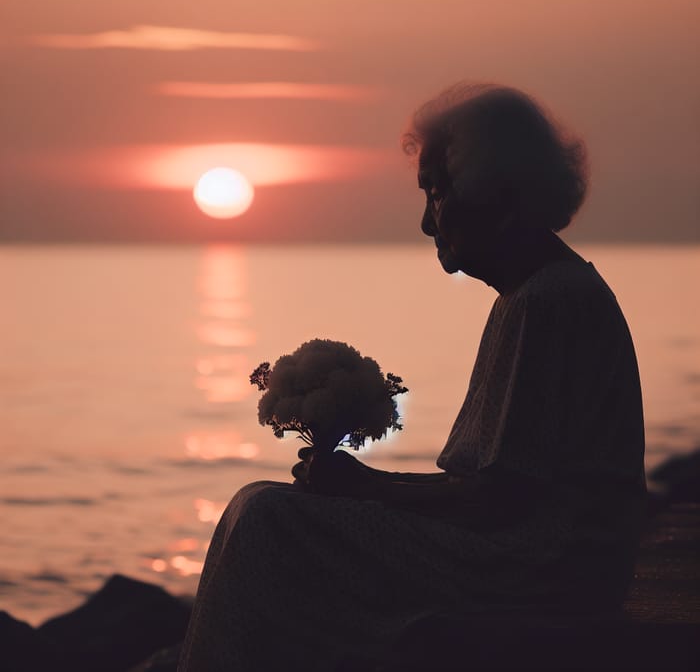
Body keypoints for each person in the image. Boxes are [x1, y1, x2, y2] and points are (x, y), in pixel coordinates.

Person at [178, 83, 647, 671]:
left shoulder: (549, 301)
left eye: (439, 192)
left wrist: (370, 490)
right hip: (531, 552)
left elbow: (504, 502)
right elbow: (497, 488)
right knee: (260, 505)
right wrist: (367, 484)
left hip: (544, 570)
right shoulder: (530, 295)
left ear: (499, 194)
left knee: (269, 522)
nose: (428, 222)